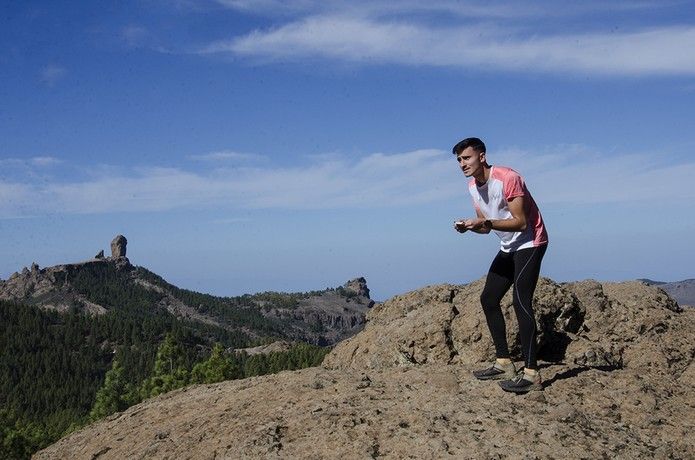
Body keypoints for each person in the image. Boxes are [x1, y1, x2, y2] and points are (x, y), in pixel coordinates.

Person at [452, 137, 548, 393]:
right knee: (489, 299)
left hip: (531, 242)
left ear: (482, 156)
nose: (462, 164)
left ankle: (531, 374)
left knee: (521, 301)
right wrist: (469, 228)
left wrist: (486, 224)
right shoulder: (473, 186)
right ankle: (504, 363)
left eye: (467, 158)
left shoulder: (508, 177)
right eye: (459, 160)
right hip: (508, 246)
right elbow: (486, 226)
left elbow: (521, 222)